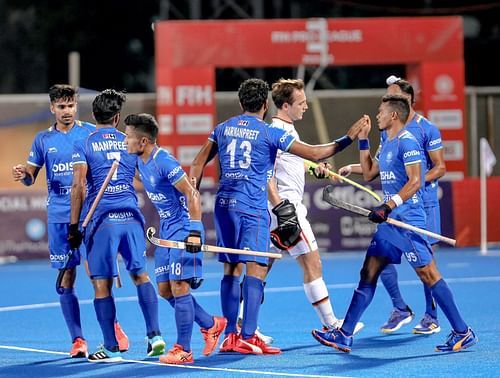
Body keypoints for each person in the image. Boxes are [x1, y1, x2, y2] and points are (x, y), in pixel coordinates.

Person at [189, 78, 365, 355]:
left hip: (223, 205)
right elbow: (316, 152)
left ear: (240, 102)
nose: (305, 106)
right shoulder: (269, 132)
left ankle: (233, 336)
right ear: (265, 105)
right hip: (253, 208)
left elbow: (197, 163)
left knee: (232, 270)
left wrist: (193, 203)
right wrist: (349, 138)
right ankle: (250, 335)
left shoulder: (222, 128)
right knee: (258, 269)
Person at [312, 94, 477, 353]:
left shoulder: (408, 142)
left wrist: (389, 205)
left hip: (408, 220)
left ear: (393, 116)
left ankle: (462, 331)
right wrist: (364, 138)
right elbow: (368, 173)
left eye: (380, 112)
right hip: (390, 223)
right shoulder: (388, 142)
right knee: (368, 272)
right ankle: (344, 335)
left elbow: (415, 181)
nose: (376, 115)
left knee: (429, 275)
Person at [239, 78, 364, 338]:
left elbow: (294, 160)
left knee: (261, 268)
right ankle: (332, 326)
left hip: (271, 210)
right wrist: (349, 138)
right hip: (285, 208)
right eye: (301, 103)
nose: (305, 107)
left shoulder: (284, 129)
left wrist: (314, 170)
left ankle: (243, 323)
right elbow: (271, 173)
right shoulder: (276, 131)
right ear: (285, 106)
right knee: (312, 264)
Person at [11, 84, 128, 358]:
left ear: (77, 106)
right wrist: (23, 174)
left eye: (71, 106)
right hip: (59, 218)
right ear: (53, 108)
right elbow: (31, 175)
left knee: (98, 276)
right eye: (61, 107)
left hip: (88, 218)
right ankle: (78, 340)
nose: (67, 111)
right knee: (66, 279)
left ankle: (115, 331)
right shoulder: (42, 140)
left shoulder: (89, 132)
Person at [339, 76, 446, 335]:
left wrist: (412, 185)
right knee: (380, 261)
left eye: (391, 96)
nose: (385, 102)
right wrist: (349, 168)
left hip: (422, 204)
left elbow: (439, 167)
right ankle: (400, 308)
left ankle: (432, 316)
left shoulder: (426, 129)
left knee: (426, 265)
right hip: (397, 205)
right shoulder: (389, 132)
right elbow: (377, 168)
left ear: (405, 101)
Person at [123, 113, 227, 365]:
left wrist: (194, 231)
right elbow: (143, 179)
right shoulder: (141, 162)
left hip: (182, 228)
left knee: (180, 286)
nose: (125, 141)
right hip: (165, 231)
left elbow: (192, 193)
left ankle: (184, 349)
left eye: (128, 137)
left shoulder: (164, 162)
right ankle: (211, 324)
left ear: (144, 141)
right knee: (165, 290)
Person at [69, 89, 164, 362]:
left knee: (102, 285)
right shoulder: (129, 142)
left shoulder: (84, 144)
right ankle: (154, 335)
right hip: (131, 217)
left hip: (101, 221)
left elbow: (78, 187)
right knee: (140, 275)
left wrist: (74, 226)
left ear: (93, 115)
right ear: (118, 117)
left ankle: (111, 349)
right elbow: (148, 176)